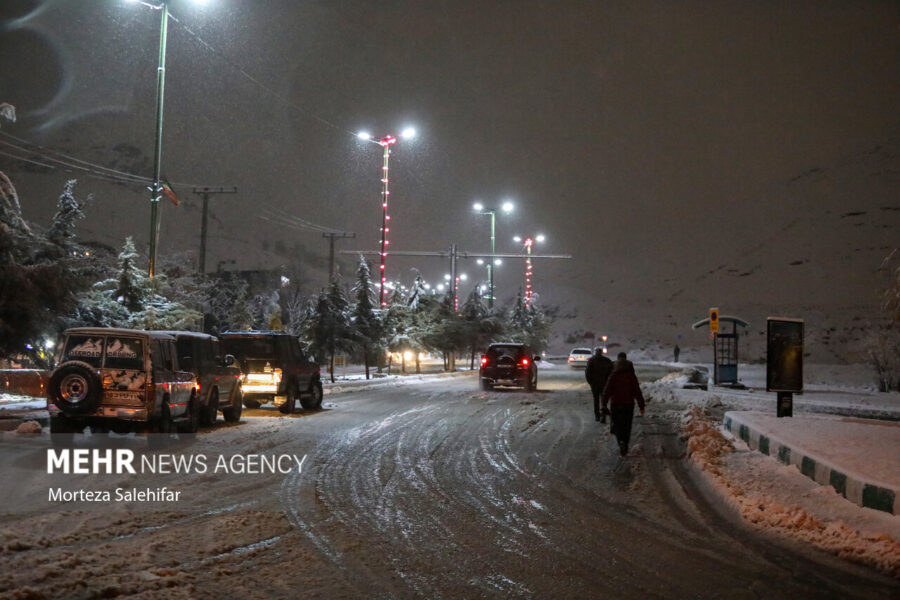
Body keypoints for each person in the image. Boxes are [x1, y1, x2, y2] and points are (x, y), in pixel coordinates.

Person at [602, 352, 646, 456]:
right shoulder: (631, 376)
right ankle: (625, 443)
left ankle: (620, 441)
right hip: (628, 404)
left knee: (617, 424)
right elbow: (637, 391)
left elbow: (607, 391)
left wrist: (604, 403)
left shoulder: (613, 376)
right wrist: (641, 405)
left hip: (615, 403)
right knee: (627, 425)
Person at [584, 348, 613, 423]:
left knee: (596, 400)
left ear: (595, 352)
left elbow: (587, 372)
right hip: (604, 384)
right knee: (604, 400)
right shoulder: (607, 360)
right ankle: (603, 416)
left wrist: (590, 382)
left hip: (595, 384)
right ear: (602, 352)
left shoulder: (591, 360)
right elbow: (611, 372)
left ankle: (597, 416)